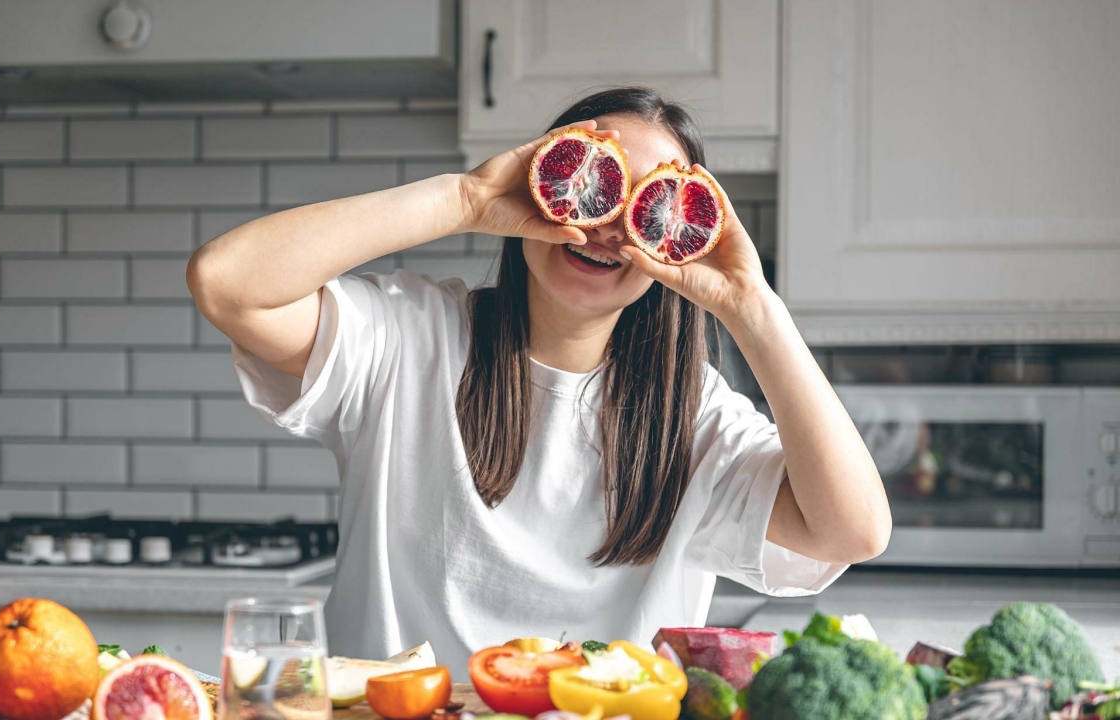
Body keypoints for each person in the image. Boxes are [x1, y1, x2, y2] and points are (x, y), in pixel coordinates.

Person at [187, 87, 891, 672]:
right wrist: (464, 199)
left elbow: (853, 531)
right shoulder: (406, 339)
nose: (609, 226)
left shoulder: (694, 415)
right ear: (537, 183)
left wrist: (752, 307)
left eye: (650, 205)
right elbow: (226, 282)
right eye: (587, 181)